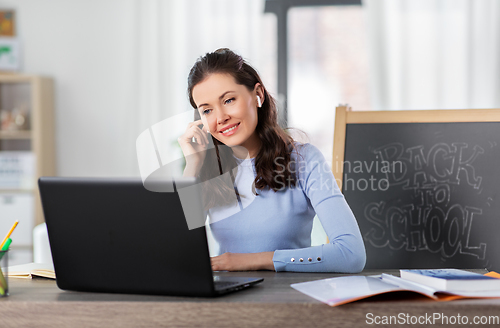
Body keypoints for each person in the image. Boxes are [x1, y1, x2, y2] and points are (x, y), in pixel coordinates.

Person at [178, 48, 365, 273]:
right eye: (207, 110)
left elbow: (351, 254)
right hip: (226, 302)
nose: (220, 118)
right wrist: (192, 167)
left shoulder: (305, 160)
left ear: (258, 95)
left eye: (228, 100)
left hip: (287, 298)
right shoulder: (208, 169)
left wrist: (251, 260)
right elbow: (173, 253)